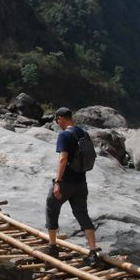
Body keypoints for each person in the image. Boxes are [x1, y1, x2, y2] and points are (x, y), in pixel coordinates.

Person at [45, 107, 99, 266]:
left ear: (61, 118)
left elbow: (63, 159)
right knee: (82, 214)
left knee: (51, 208)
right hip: (81, 182)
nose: (57, 123)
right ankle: (93, 252)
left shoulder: (64, 135)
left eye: (57, 120)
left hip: (66, 182)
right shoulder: (84, 133)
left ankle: (53, 247)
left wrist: (57, 182)